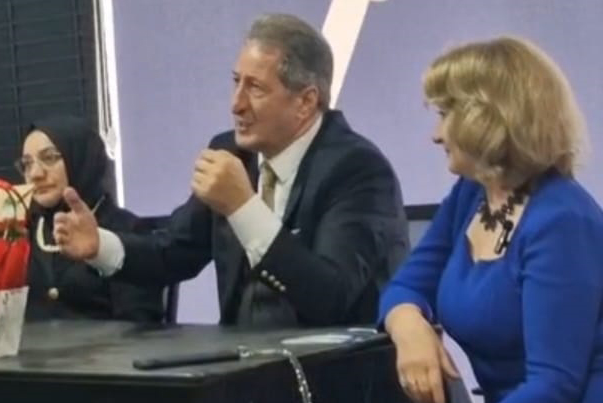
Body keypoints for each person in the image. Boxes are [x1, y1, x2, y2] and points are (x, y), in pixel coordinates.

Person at [52, 14, 409, 327]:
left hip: (333, 368)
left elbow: (331, 297)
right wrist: (100, 245)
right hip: (244, 365)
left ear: (305, 101)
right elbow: (173, 252)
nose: (236, 104)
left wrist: (243, 207)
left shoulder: (357, 170)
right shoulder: (231, 152)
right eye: (236, 81)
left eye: (255, 88)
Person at [379, 37, 603, 403]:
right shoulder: (471, 194)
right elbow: (406, 285)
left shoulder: (562, 222)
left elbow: (555, 385)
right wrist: (408, 326)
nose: (435, 135)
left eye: (444, 115)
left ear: (486, 119)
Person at [16, 115, 165, 322]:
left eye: (49, 158)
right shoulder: (21, 231)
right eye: (27, 164)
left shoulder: (127, 231)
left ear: (81, 159)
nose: (35, 174)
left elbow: (139, 326)